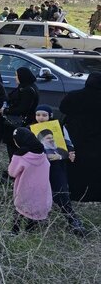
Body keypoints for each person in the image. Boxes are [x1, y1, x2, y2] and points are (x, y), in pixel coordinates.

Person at [32, 105, 86, 236]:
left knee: (61, 191)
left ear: (50, 115)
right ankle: (35, 220)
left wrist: (71, 151)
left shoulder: (59, 127)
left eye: (44, 115)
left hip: (57, 165)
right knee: (38, 191)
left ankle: (73, 220)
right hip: (39, 166)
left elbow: (67, 142)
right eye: (38, 115)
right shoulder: (31, 128)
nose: (41, 118)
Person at [59, 72, 101, 202]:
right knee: (95, 165)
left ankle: (75, 193)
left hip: (76, 134)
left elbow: (63, 108)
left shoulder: (74, 95)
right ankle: (94, 194)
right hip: (96, 138)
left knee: (75, 162)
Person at [7, 128, 51, 234]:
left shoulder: (21, 156)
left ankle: (15, 230)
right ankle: (30, 231)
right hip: (42, 190)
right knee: (35, 213)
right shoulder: (43, 154)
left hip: (25, 189)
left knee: (20, 209)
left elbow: (12, 172)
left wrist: (15, 158)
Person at [2, 67, 39, 161]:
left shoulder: (28, 90)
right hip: (16, 123)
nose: (15, 78)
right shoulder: (24, 87)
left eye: (17, 75)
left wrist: (6, 111)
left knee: (15, 146)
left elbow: (22, 108)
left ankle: (15, 170)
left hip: (19, 124)